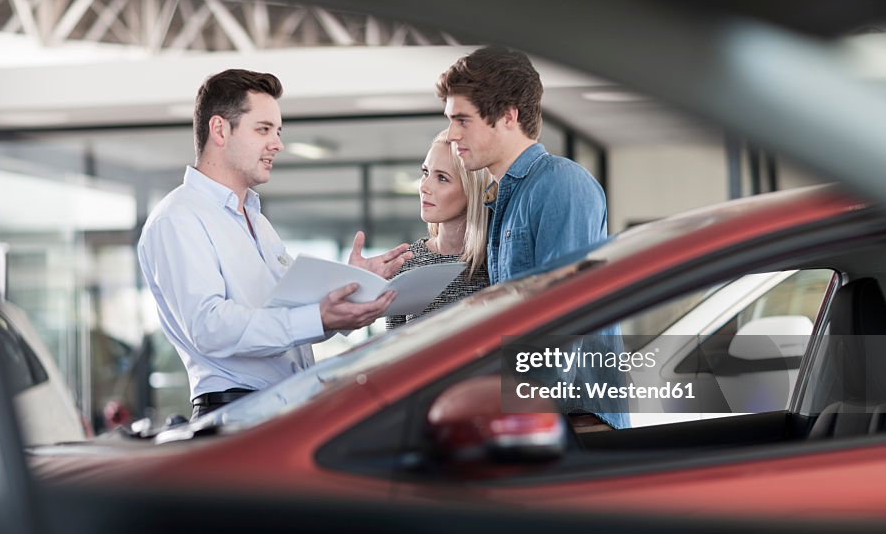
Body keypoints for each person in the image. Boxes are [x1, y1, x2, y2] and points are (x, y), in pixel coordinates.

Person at [138, 68, 411, 419]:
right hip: (235, 413)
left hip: (285, 407)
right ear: (220, 130)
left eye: (277, 131)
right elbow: (210, 327)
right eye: (263, 129)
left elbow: (285, 319)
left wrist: (347, 289)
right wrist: (316, 317)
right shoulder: (178, 218)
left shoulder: (258, 222)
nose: (277, 144)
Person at [436, 46, 627, 431]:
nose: (452, 135)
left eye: (463, 121)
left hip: (575, 420)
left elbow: (564, 313)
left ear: (509, 116)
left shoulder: (560, 184)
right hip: (544, 415)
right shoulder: (503, 197)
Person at [385, 130, 492, 329]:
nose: (424, 186)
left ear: (472, 190)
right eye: (425, 172)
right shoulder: (406, 262)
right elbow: (393, 350)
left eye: (442, 178)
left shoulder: (496, 263)